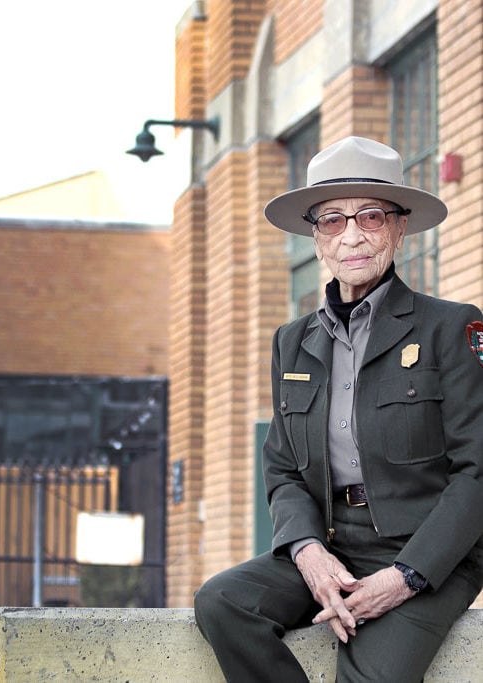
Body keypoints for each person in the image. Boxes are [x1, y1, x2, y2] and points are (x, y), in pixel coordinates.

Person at [194, 136, 483, 682]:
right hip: (330, 544)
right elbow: (281, 469)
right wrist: (307, 552)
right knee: (224, 603)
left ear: (399, 229)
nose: (351, 235)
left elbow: (478, 472)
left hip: (426, 555)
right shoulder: (292, 340)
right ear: (316, 238)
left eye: (370, 217)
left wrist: (404, 577)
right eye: (332, 220)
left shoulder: (452, 327)